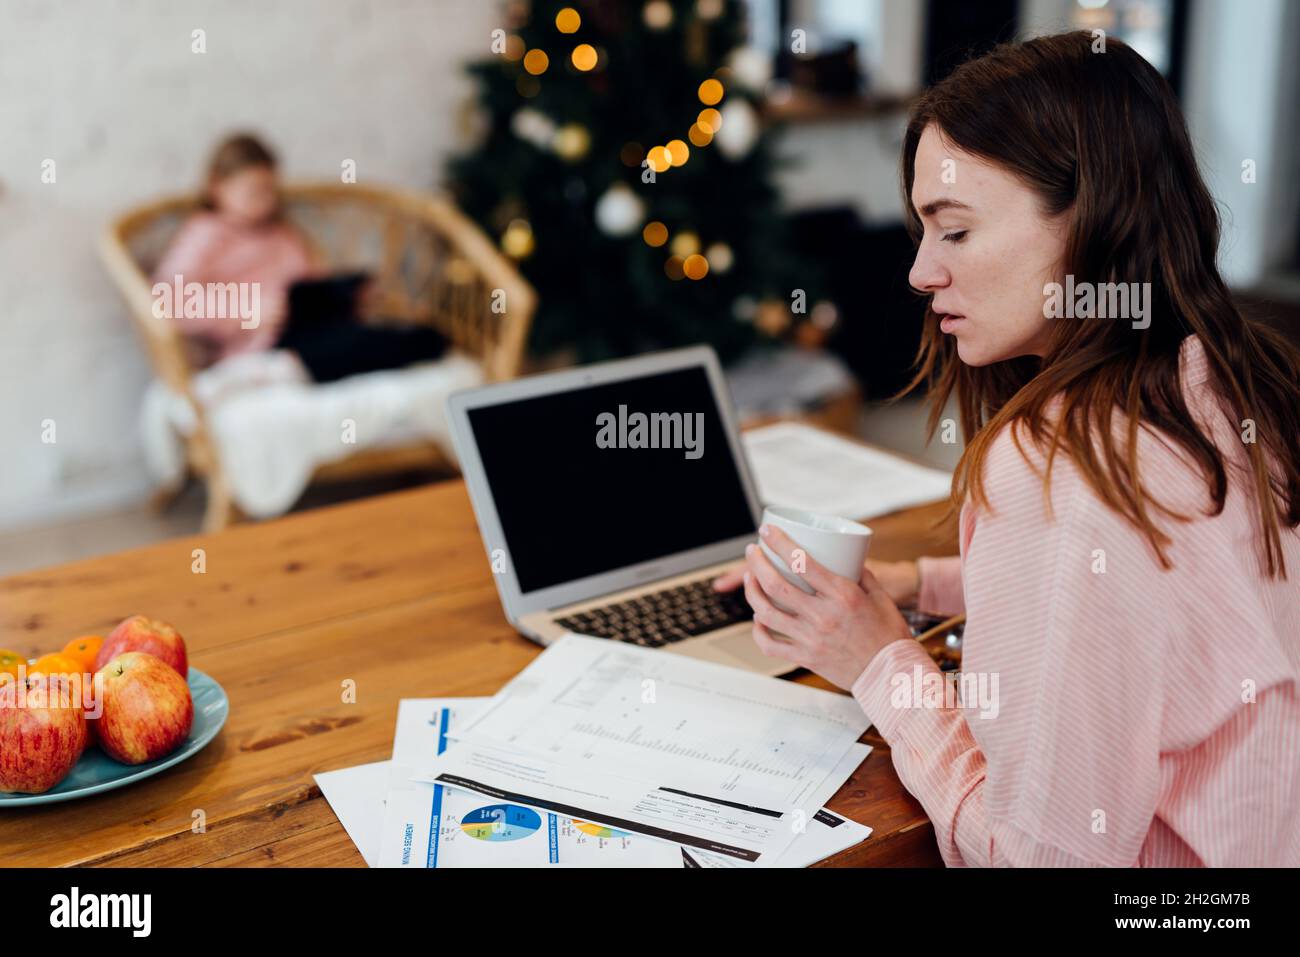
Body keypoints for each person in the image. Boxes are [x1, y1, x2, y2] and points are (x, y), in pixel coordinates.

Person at [716, 32, 1300, 866]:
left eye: (954, 232)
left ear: (1089, 222)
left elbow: (1037, 857)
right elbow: (1150, 604)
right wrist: (920, 586)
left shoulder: (1062, 466)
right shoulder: (1231, 381)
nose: (919, 272)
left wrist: (879, 661)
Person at [153, 133, 445, 381]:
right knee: (346, 348)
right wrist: (246, 311)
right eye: (253, 192)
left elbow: (309, 286)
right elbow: (168, 298)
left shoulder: (281, 234)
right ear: (217, 187)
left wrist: (346, 295)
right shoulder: (206, 234)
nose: (264, 202)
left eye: (269, 191)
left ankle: (417, 342)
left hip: (311, 329)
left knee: (416, 338)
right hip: (266, 345)